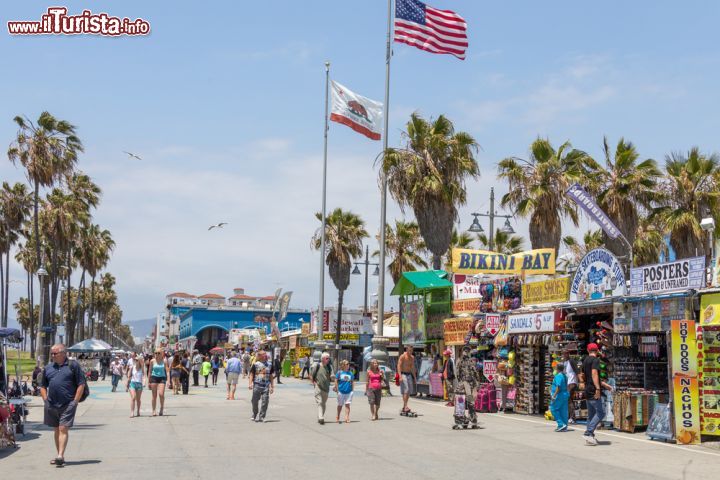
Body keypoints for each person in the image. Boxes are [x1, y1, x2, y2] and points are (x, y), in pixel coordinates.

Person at [41, 343, 86, 467]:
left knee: (62, 428)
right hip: (52, 404)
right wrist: (45, 400)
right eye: (52, 353)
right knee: (56, 429)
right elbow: (43, 386)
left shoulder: (73, 366)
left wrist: (75, 402)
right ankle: (60, 455)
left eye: (55, 353)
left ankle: (60, 455)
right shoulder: (48, 368)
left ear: (63, 353)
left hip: (68, 404)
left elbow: (81, 384)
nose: (53, 356)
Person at [580, 343, 609, 446]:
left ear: (588, 350)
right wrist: (597, 388)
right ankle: (588, 432)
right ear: (597, 351)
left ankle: (590, 438)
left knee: (591, 415)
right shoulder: (595, 360)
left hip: (587, 389)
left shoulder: (585, 360)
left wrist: (604, 385)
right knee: (601, 413)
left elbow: (582, 375)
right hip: (593, 390)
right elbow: (594, 374)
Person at [456, 346, 480, 427]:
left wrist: (476, 385)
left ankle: (467, 420)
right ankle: (470, 421)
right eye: (467, 351)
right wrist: (476, 384)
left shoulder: (461, 361)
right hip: (467, 385)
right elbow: (475, 374)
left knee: (464, 403)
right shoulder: (468, 361)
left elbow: (458, 374)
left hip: (466, 385)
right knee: (468, 403)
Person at [248, 350, 275, 422]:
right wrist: (250, 384)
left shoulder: (269, 364)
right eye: (263, 354)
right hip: (257, 385)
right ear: (259, 356)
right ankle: (254, 413)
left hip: (266, 385)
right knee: (254, 401)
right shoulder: (255, 364)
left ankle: (262, 416)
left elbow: (271, 376)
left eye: (265, 354)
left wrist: (272, 386)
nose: (265, 355)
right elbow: (251, 374)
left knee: (265, 401)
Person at [311, 353, 333, 424]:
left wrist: (334, 378)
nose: (328, 360)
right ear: (322, 359)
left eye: (329, 358)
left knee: (323, 403)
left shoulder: (329, 367)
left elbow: (332, 375)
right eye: (327, 358)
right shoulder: (317, 366)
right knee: (319, 402)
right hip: (318, 386)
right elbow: (311, 375)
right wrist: (313, 383)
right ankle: (321, 418)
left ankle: (321, 416)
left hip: (326, 388)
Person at [149, 349, 169, 416]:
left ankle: (161, 408)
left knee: (161, 394)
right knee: (154, 396)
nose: (157, 354)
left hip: (162, 378)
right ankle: (154, 410)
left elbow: (167, 371)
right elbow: (149, 371)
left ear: (162, 354)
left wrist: (168, 380)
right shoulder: (152, 361)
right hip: (154, 377)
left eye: (158, 353)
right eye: (156, 353)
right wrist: (149, 381)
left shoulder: (164, 361)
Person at [397, 345, 417, 414]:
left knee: (409, 391)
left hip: (409, 374)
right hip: (403, 374)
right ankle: (405, 406)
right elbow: (399, 366)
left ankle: (404, 406)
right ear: (406, 350)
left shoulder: (412, 357)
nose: (411, 352)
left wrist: (414, 377)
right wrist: (400, 376)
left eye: (412, 351)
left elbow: (412, 367)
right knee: (406, 390)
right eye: (409, 350)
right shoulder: (403, 356)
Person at [550, 363, 569, 432]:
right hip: (565, 394)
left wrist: (554, 396)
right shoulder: (565, 376)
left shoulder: (558, 376)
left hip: (559, 395)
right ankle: (564, 426)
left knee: (553, 409)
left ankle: (561, 424)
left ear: (557, 369)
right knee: (563, 411)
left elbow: (558, 387)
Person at [562, 349, 579, 424]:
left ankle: (572, 417)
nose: (565, 355)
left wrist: (580, 381)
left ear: (568, 354)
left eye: (566, 353)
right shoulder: (564, 362)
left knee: (569, 399)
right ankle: (570, 417)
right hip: (567, 383)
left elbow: (577, 371)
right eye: (564, 353)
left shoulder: (571, 361)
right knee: (568, 400)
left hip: (572, 382)